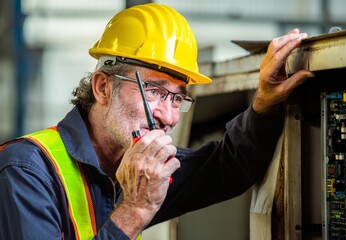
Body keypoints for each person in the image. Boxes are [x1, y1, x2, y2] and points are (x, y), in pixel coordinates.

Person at [0, 3, 314, 240]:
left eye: (177, 98)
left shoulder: (136, 164)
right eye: (154, 91)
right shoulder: (25, 171)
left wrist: (264, 102)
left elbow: (228, 167)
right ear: (102, 87)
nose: (168, 117)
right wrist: (135, 208)